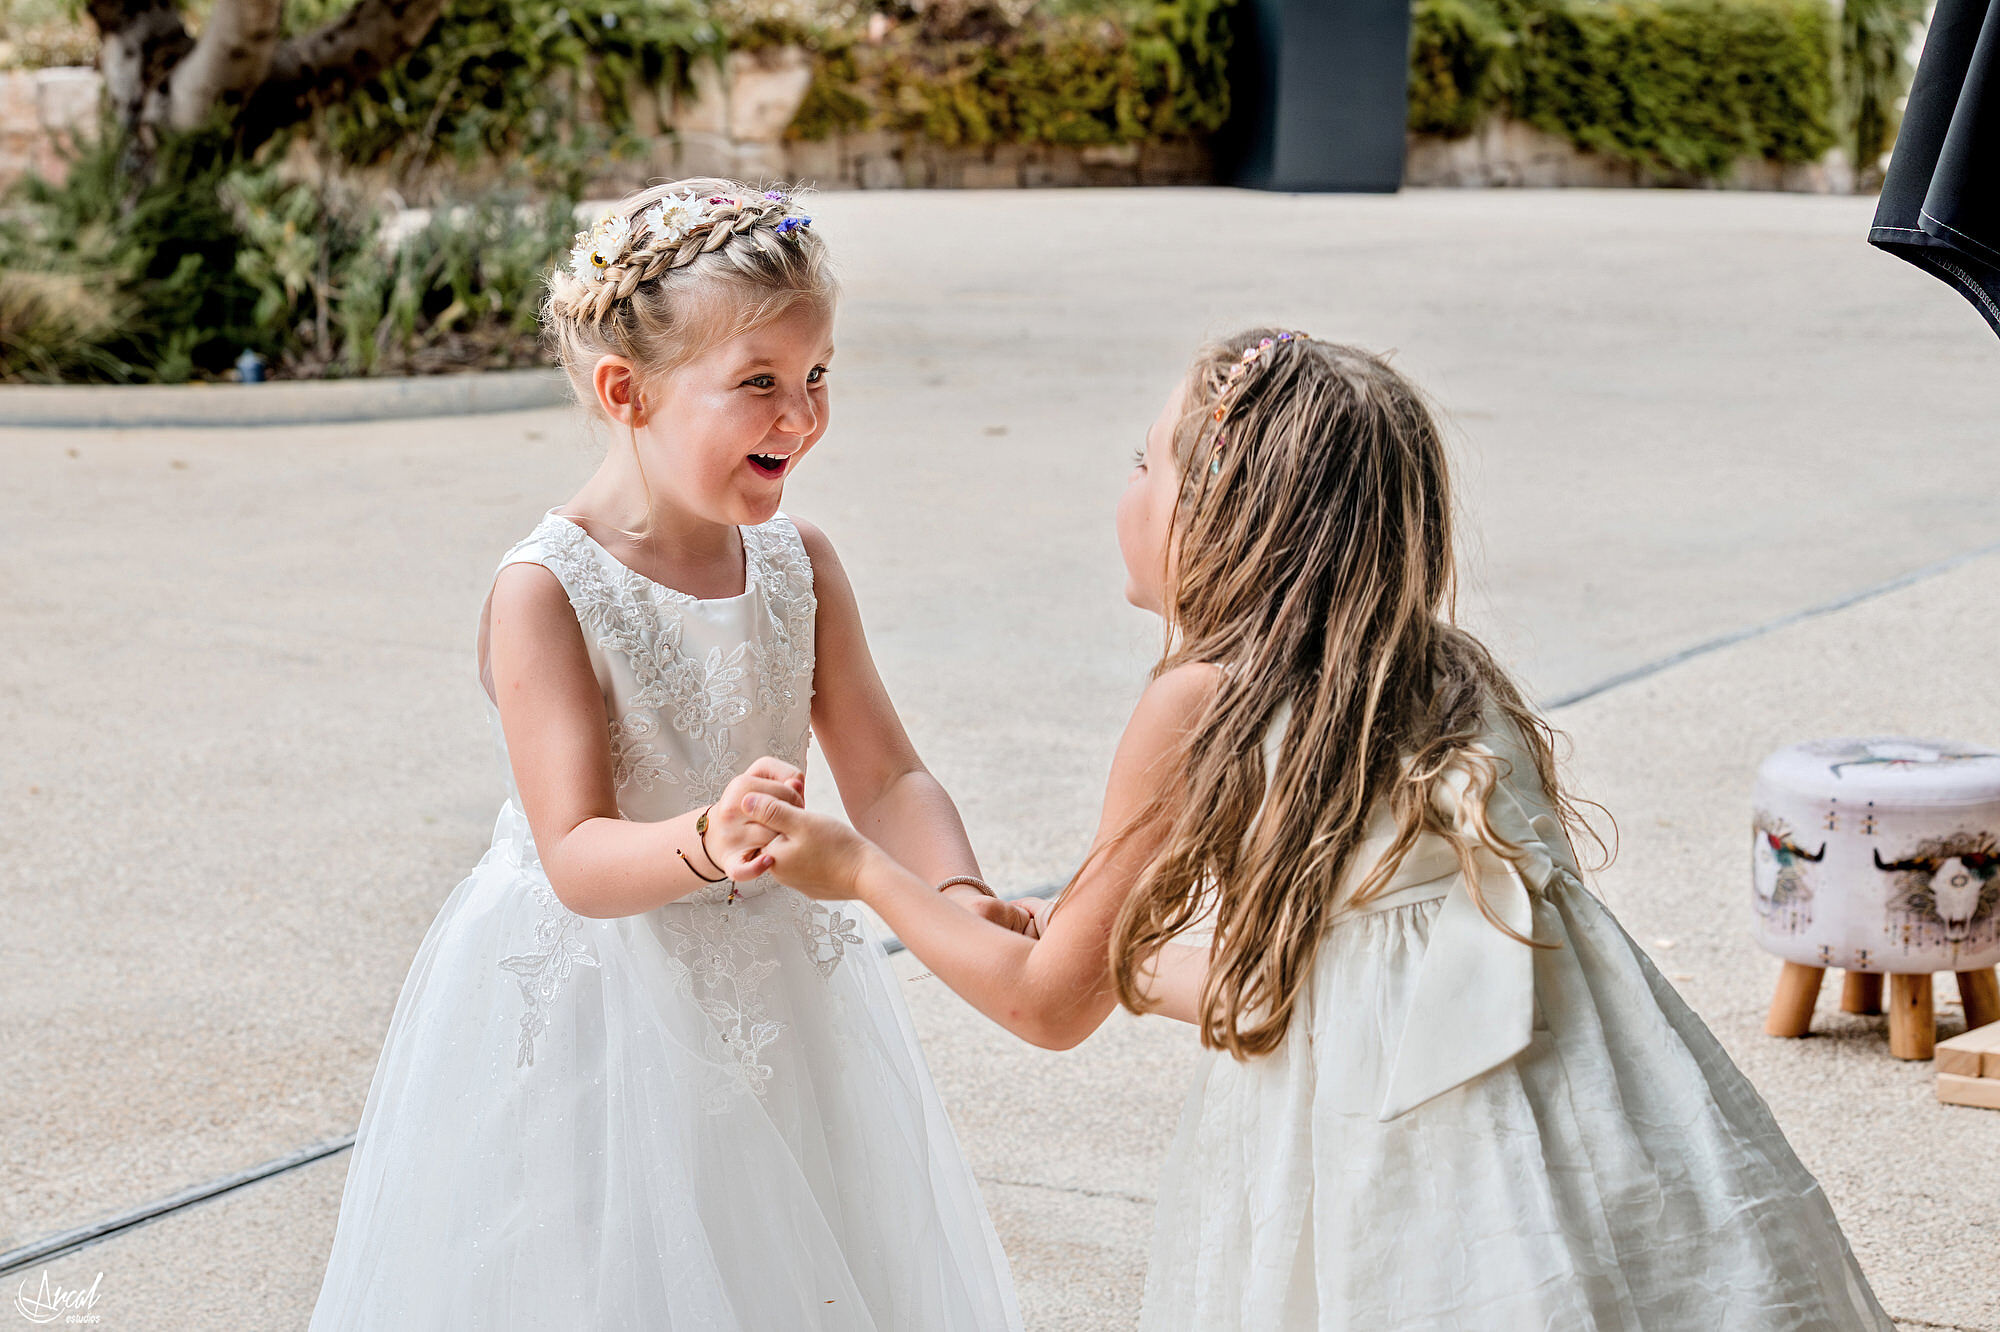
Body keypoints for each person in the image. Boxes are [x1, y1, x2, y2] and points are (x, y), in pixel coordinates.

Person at [737, 330, 1895, 1330]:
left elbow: (1045, 1002)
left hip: (1380, 1177)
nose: (1128, 488)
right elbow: (1315, 980)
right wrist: (1135, 961)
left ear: (1220, 509)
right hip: (1591, 1146)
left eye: (1147, 463)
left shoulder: (1202, 702)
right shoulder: (1442, 675)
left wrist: (862, 873)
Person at [308, 179, 1023, 1330]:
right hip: (601, 1002)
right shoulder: (549, 590)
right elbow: (577, 856)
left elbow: (887, 774)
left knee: (790, 1257)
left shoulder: (800, 565)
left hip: (778, 988)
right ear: (623, 390)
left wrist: (955, 891)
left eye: (817, 375)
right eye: (757, 384)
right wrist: (710, 836)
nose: (800, 417)